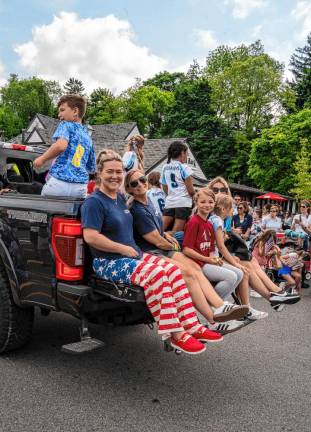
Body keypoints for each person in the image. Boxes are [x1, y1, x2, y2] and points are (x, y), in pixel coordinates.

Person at [81, 153, 218, 355]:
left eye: (119, 172)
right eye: (109, 171)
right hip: (108, 261)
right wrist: (121, 248)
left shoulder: (119, 198)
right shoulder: (94, 202)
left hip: (131, 256)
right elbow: (91, 237)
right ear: (100, 173)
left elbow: (138, 186)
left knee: (173, 270)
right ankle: (176, 335)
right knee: (158, 275)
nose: (115, 176)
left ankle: (193, 326)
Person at [125, 169, 248, 334]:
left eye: (142, 179)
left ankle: (219, 307)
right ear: (129, 189)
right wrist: (173, 245)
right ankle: (213, 316)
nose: (140, 184)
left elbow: (159, 231)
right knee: (188, 272)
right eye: (134, 183)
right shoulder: (137, 209)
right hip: (152, 252)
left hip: (161, 247)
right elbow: (155, 240)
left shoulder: (149, 202)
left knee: (196, 269)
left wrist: (168, 235)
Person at [34, 94, 96, 198]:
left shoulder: (66, 125)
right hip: (80, 187)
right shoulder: (88, 136)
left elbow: (60, 146)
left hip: (59, 182)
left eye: (62, 110)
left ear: (75, 111)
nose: (59, 115)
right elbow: (92, 167)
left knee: (42, 207)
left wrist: (42, 159)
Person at [161, 141, 195, 232]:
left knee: (160, 228)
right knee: (176, 232)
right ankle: (172, 245)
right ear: (182, 153)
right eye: (186, 153)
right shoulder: (184, 167)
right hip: (183, 202)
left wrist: (172, 194)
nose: (187, 156)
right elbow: (191, 191)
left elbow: (164, 186)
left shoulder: (165, 167)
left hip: (170, 201)